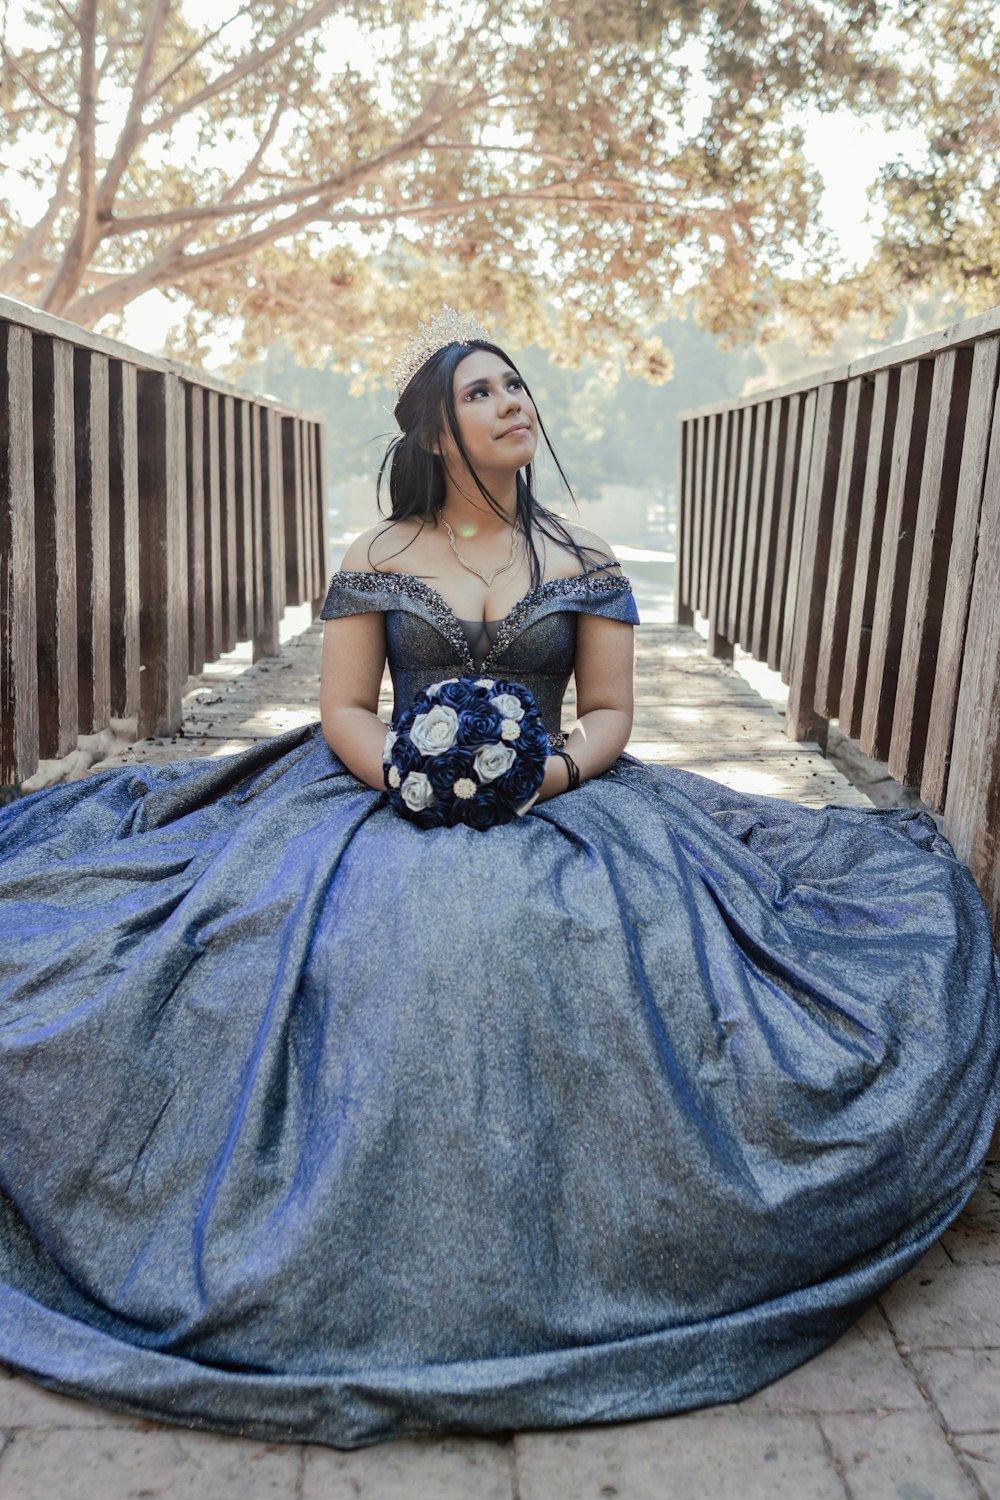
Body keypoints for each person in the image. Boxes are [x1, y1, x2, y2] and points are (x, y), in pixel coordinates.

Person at [0, 308, 997, 1453]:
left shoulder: (583, 562)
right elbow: (341, 710)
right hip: (384, 789)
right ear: (434, 429)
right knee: (353, 932)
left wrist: (551, 772)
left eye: (516, 386)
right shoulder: (380, 555)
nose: (512, 402)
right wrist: (410, 784)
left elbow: (615, 712)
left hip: (559, 794)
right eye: (482, 392)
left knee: (556, 936)